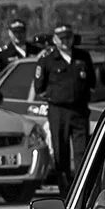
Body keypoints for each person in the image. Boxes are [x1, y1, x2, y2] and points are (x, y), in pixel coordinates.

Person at [34, 23, 95, 197]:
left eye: (68, 37)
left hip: (79, 110)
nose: (65, 41)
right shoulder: (47, 59)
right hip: (58, 111)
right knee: (61, 152)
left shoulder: (83, 57)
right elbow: (39, 86)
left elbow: (91, 81)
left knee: (82, 152)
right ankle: (65, 191)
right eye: (61, 38)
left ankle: (82, 191)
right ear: (54, 40)